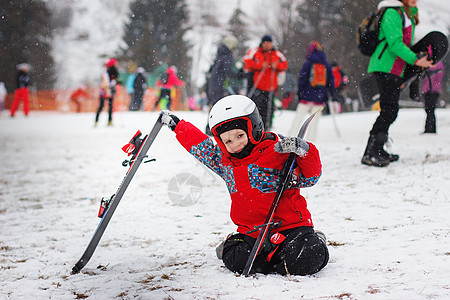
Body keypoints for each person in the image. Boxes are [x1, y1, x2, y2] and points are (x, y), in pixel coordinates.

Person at [159, 95, 329, 276]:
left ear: (254, 128)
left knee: (307, 256)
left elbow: (310, 177)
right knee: (234, 258)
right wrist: (178, 126)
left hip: (291, 228)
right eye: (228, 141)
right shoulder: (226, 163)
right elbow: (202, 147)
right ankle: (266, 257)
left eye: (240, 135)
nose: (236, 144)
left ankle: (307, 244)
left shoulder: (278, 152)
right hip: (253, 233)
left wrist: (305, 152)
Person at [361, 0, 433, 167]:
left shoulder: (407, 14)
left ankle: (376, 150)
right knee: (389, 111)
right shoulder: (392, 12)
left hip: (395, 69)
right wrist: (416, 60)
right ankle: (372, 151)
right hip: (385, 67)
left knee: (389, 110)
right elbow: (395, 44)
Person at [288, 41, 334, 140]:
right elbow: (330, 81)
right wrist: (329, 94)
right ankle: (311, 140)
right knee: (314, 121)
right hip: (320, 98)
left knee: (298, 118)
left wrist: (300, 93)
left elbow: (302, 80)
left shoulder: (308, 64)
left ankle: (291, 137)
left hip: (306, 97)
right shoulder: (327, 65)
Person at [244, 35, 288, 129]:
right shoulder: (255, 51)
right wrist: (259, 65)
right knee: (257, 106)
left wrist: (276, 66)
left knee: (269, 108)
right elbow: (246, 61)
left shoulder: (277, 53)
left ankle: (268, 125)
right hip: (258, 86)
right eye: (265, 42)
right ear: (262, 43)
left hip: (271, 87)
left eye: (269, 42)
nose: (267, 45)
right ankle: (256, 125)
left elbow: (285, 64)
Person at [205, 35, 244, 134]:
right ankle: (213, 128)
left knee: (214, 105)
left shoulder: (220, 55)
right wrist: (240, 74)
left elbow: (212, 70)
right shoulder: (227, 56)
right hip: (219, 85)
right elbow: (228, 72)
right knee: (218, 107)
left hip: (212, 84)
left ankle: (210, 127)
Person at [95, 58, 120, 126]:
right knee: (107, 106)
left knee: (104, 106)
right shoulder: (110, 71)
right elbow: (109, 81)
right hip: (107, 90)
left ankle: (99, 120)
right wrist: (115, 82)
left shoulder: (107, 71)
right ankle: (107, 121)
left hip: (106, 91)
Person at [421, 61, 445, 134]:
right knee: (431, 110)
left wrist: (425, 89)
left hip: (431, 90)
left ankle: (429, 129)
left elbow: (430, 79)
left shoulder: (434, 64)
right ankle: (430, 128)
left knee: (429, 110)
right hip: (436, 90)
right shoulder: (440, 64)